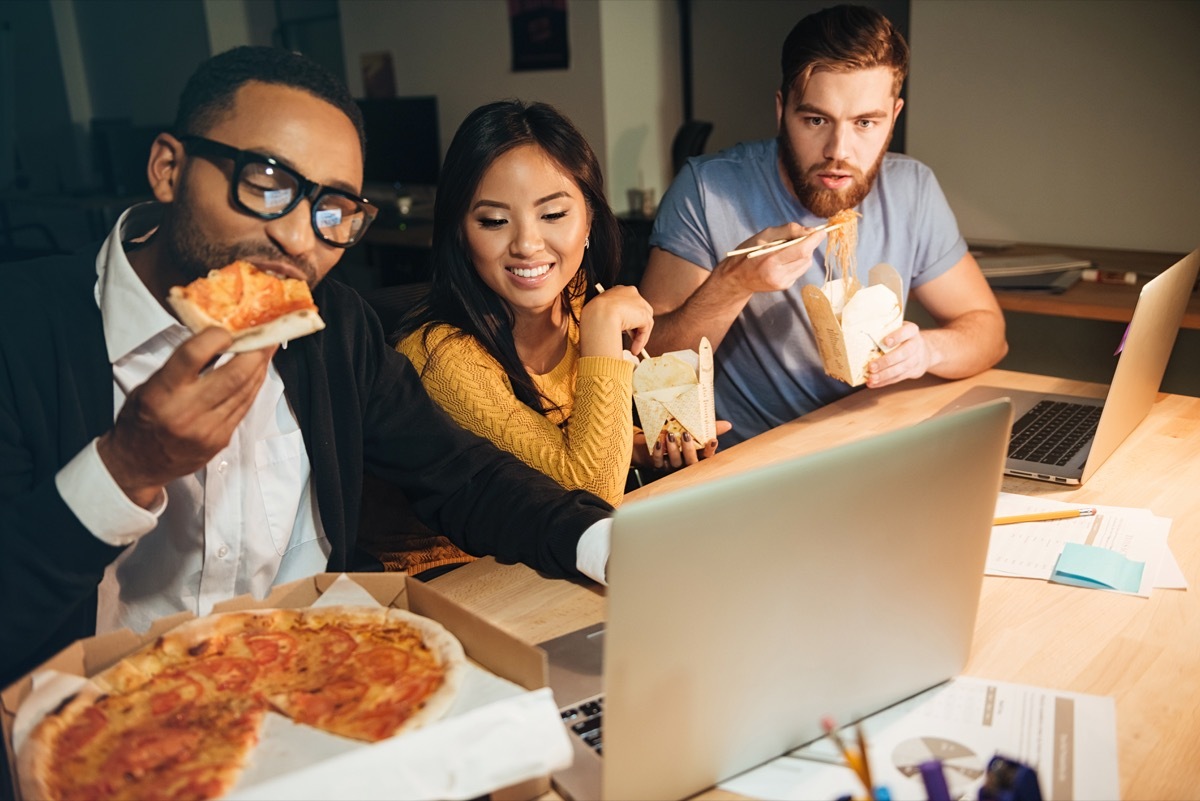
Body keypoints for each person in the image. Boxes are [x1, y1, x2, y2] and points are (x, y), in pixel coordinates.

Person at [0, 47, 616, 694]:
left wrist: (605, 544)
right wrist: (127, 467)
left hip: (313, 689)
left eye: (333, 210)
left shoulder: (335, 326)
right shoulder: (20, 332)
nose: (299, 240)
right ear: (168, 169)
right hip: (102, 723)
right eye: (267, 184)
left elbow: (462, 475)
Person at [639, 4, 1007, 447]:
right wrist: (733, 282)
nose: (838, 150)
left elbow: (989, 332)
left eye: (865, 123)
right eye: (816, 120)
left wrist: (927, 350)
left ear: (894, 116)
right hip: (758, 462)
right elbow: (652, 366)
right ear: (782, 110)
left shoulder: (913, 189)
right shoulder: (707, 189)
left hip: (877, 445)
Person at [387, 101, 727, 576]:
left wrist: (633, 446)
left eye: (552, 214)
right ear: (460, 234)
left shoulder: (577, 299)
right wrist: (602, 333)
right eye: (493, 221)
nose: (527, 243)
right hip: (445, 582)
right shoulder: (440, 355)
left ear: (588, 219)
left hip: (539, 566)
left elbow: (547, 457)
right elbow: (586, 496)